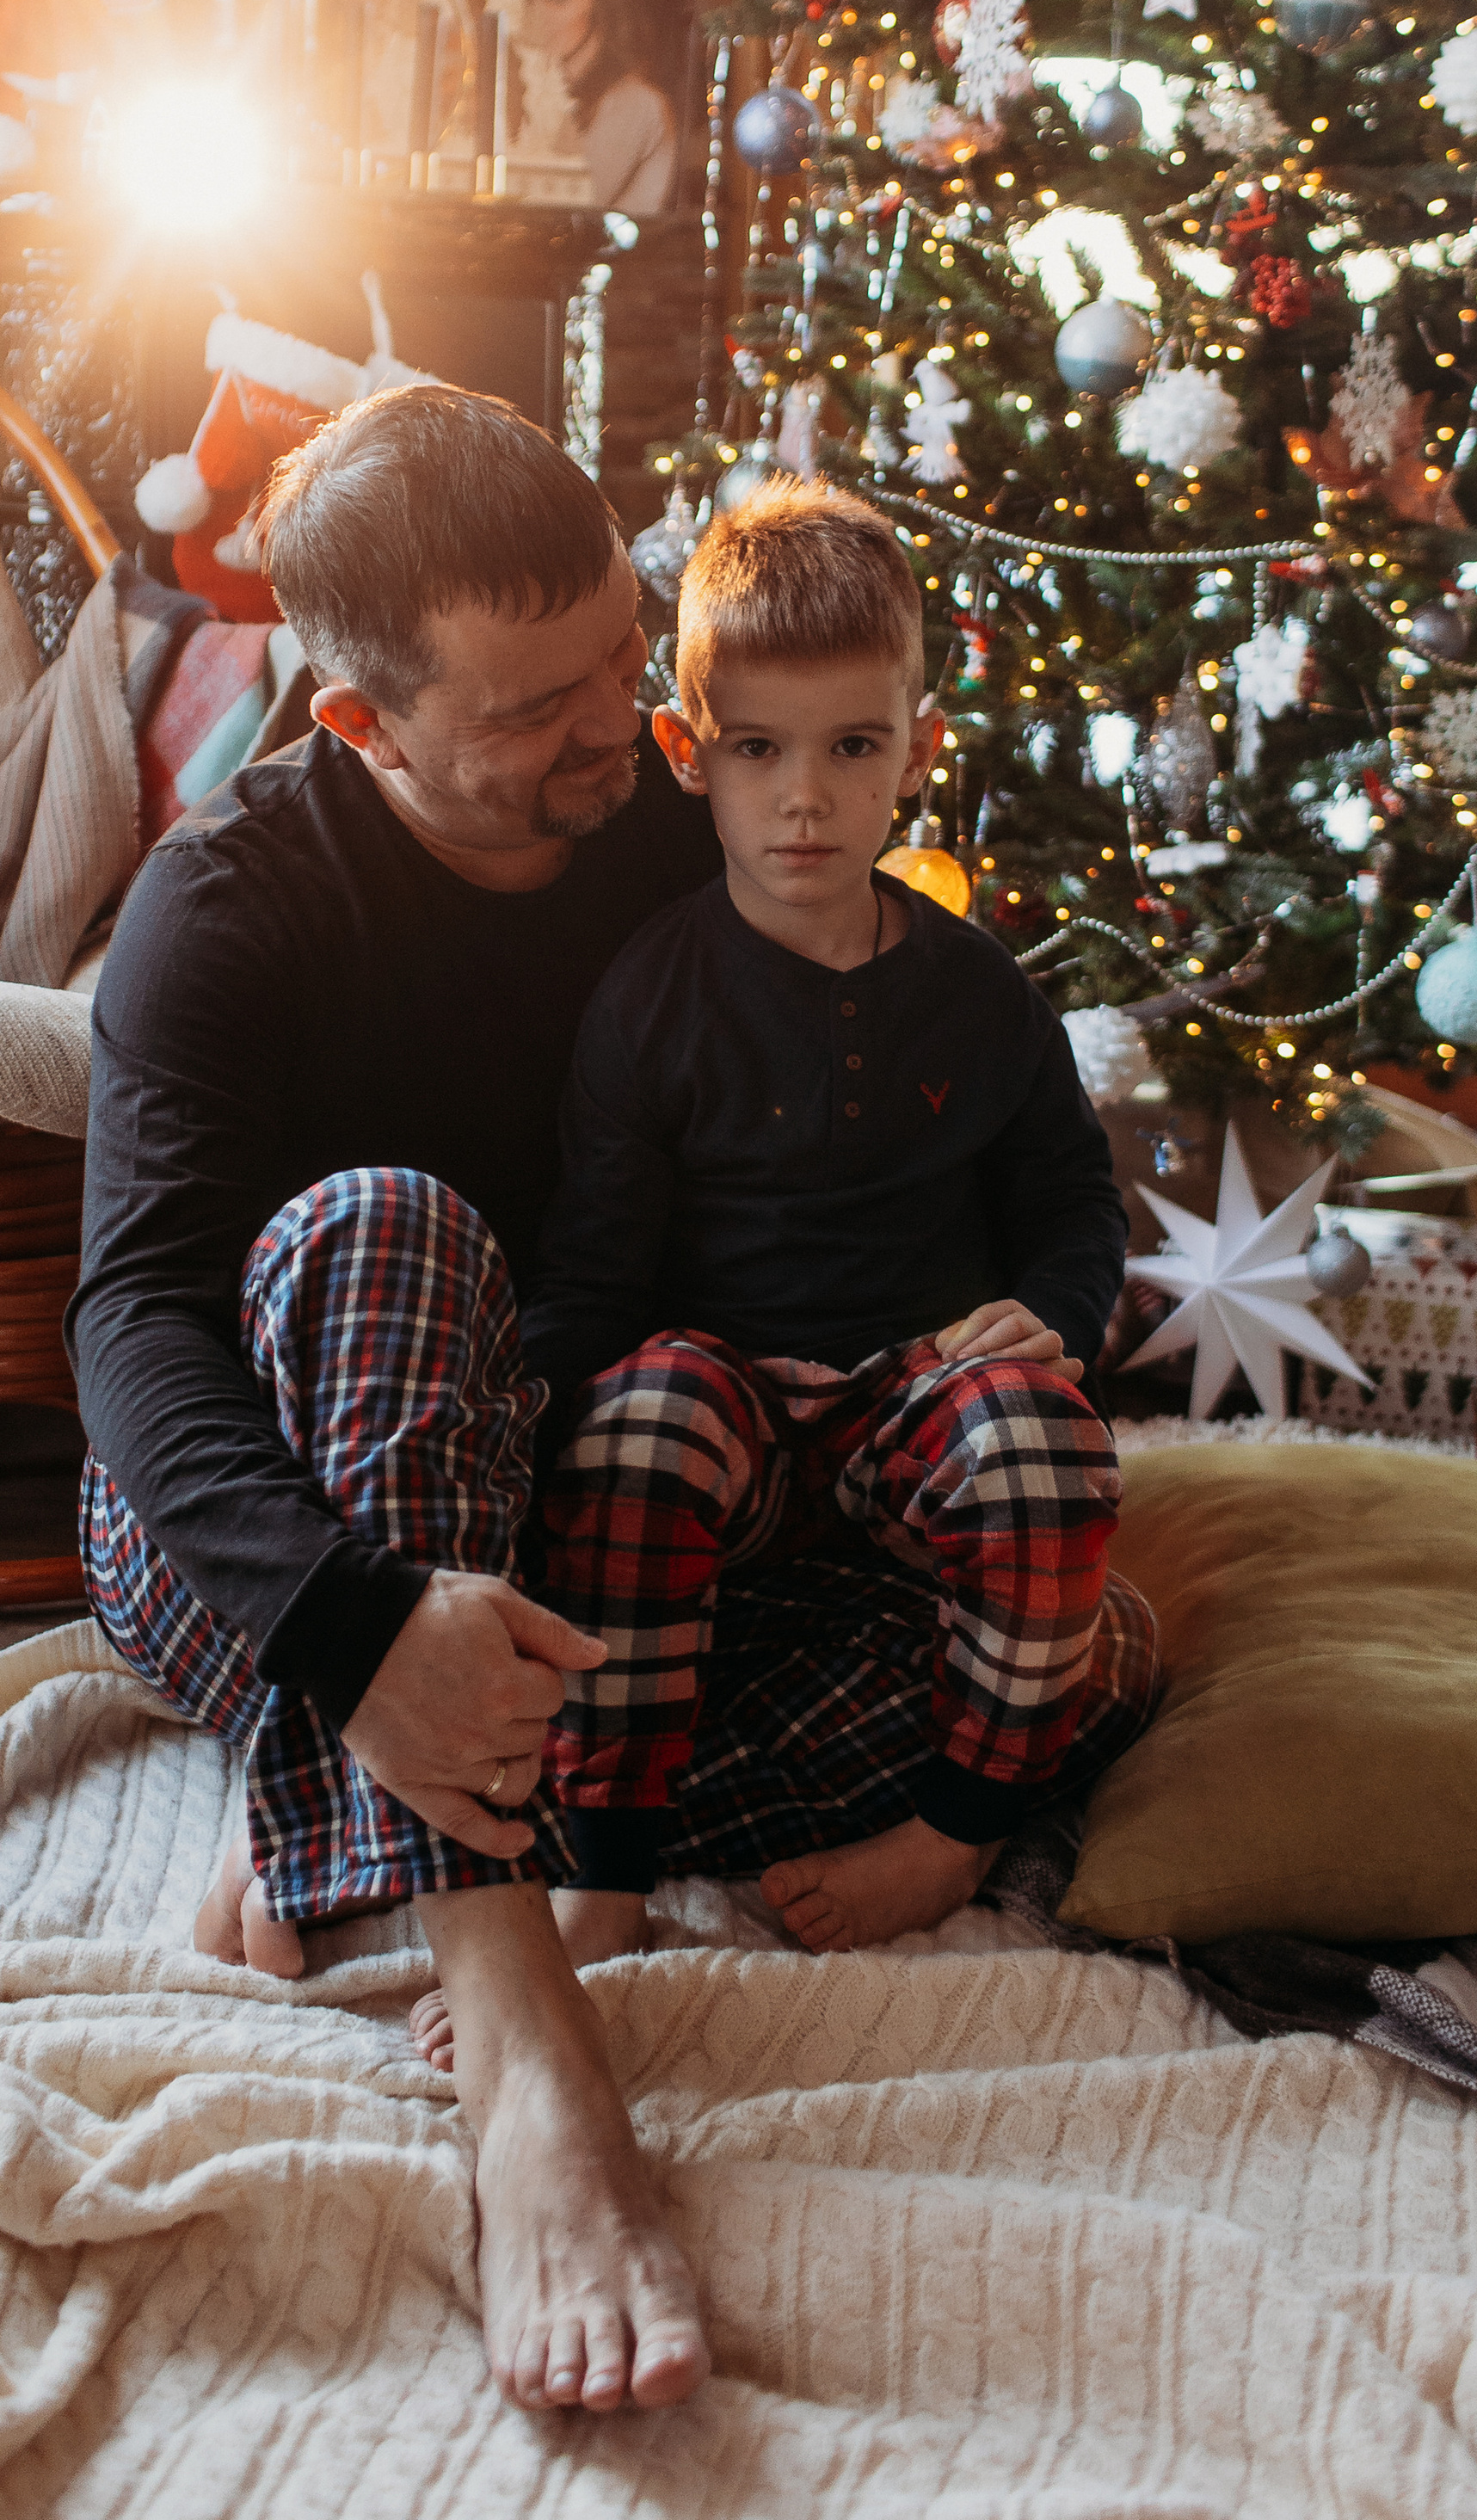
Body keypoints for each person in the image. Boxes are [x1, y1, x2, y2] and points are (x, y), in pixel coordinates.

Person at [71, 382, 722, 2418]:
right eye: (535, 702)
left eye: (622, 650)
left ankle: (316, 1820)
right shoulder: (230, 899)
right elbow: (137, 1330)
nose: (611, 722)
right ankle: (513, 2020)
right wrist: (354, 1632)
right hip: (255, 1534)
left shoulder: (678, 833)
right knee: (384, 1229)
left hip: (560, 1493)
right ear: (362, 721)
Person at [515, 480, 1158, 1977]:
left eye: (851, 747)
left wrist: (1054, 1317)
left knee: (1052, 1445)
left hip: (908, 1400)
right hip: (727, 1404)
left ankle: (955, 1830)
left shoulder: (978, 990)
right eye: (758, 751)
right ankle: (604, 1866)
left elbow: (1071, 1199)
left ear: (914, 753)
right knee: (642, 1418)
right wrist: (522, 1439)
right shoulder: (649, 996)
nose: (804, 798)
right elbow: (596, 1266)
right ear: (690, 755)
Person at [521, 0, 678, 211]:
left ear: (602, 7)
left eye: (557, 0)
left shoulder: (636, 104)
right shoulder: (534, 96)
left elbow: (566, 206)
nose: (536, 17)